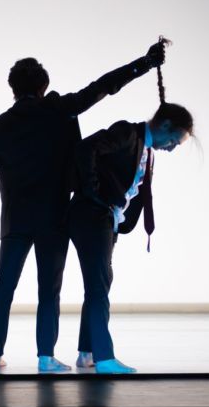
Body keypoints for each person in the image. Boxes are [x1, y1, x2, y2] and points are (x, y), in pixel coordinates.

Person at [0, 40, 166, 371]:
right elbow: (103, 87)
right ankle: (45, 357)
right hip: (54, 215)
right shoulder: (59, 109)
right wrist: (143, 63)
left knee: (4, 286)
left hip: (15, 218)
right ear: (45, 85)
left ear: (12, 88)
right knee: (49, 289)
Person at [68, 66, 193, 374]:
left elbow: (132, 193)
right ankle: (104, 358)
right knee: (98, 285)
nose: (173, 148)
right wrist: (96, 194)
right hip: (90, 216)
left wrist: (116, 219)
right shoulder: (128, 133)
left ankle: (87, 353)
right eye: (175, 140)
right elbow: (86, 148)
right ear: (165, 125)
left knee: (101, 283)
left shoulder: (147, 151)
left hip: (106, 223)